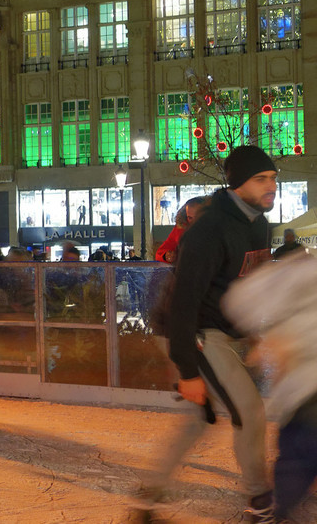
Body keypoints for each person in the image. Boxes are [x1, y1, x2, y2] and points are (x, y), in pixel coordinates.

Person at [136, 146, 278, 524]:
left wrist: (254, 335)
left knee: (198, 420)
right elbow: (183, 303)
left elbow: (250, 285)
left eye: (273, 178)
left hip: (222, 328)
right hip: (193, 329)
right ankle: (260, 501)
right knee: (248, 410)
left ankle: (148, 499)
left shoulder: (260, 223)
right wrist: (188, 372)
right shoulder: (209, 230)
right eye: (261, 179)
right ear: (238, 184)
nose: (271, 186)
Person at [223, 246, 317, 524]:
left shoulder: (282, 283)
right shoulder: (297, 282)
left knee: (296, 456)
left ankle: (275, 509)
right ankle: (276, 508)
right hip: (303, 397)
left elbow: (237, 300)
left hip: (303, 398)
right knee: (298, 455)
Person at [155, 196, 209, 264]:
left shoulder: (216, 230)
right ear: (186, 215)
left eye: (198, 217)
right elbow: (160, 253)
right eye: (190, 218)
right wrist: (167, 256)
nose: (194, 222)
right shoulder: (180, 229)